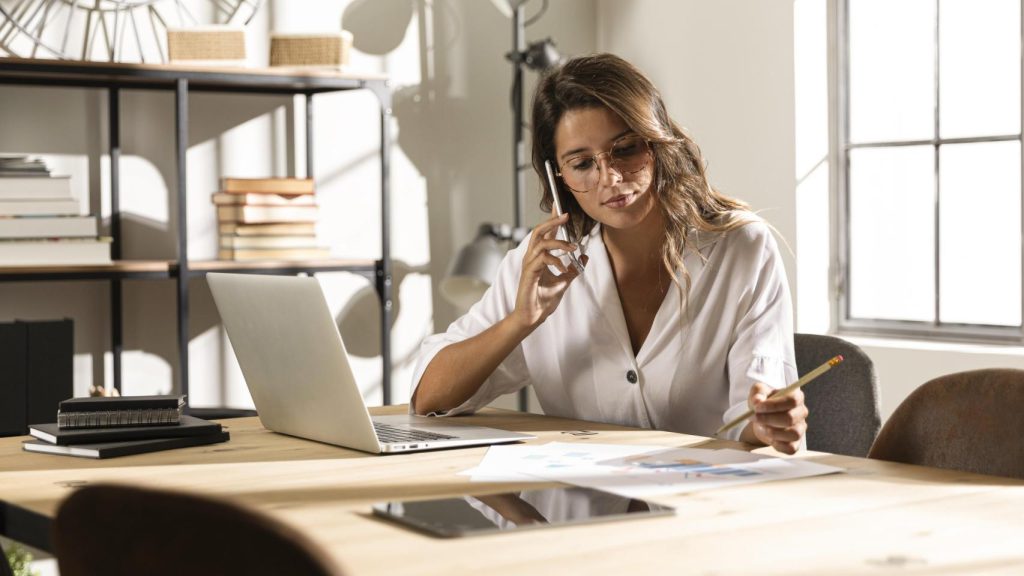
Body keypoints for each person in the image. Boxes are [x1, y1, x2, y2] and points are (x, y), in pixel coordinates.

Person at [411, 53, 807, 454]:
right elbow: (429, 399)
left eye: (625, 149)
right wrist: (521, 321)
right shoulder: (542, 265)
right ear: (558, 177)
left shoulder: (741, 249)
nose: (611, 178)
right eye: (582, 163)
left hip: (704, 502)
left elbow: (755, 414)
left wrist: (770, 423)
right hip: (578, 506)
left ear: (656, 142)